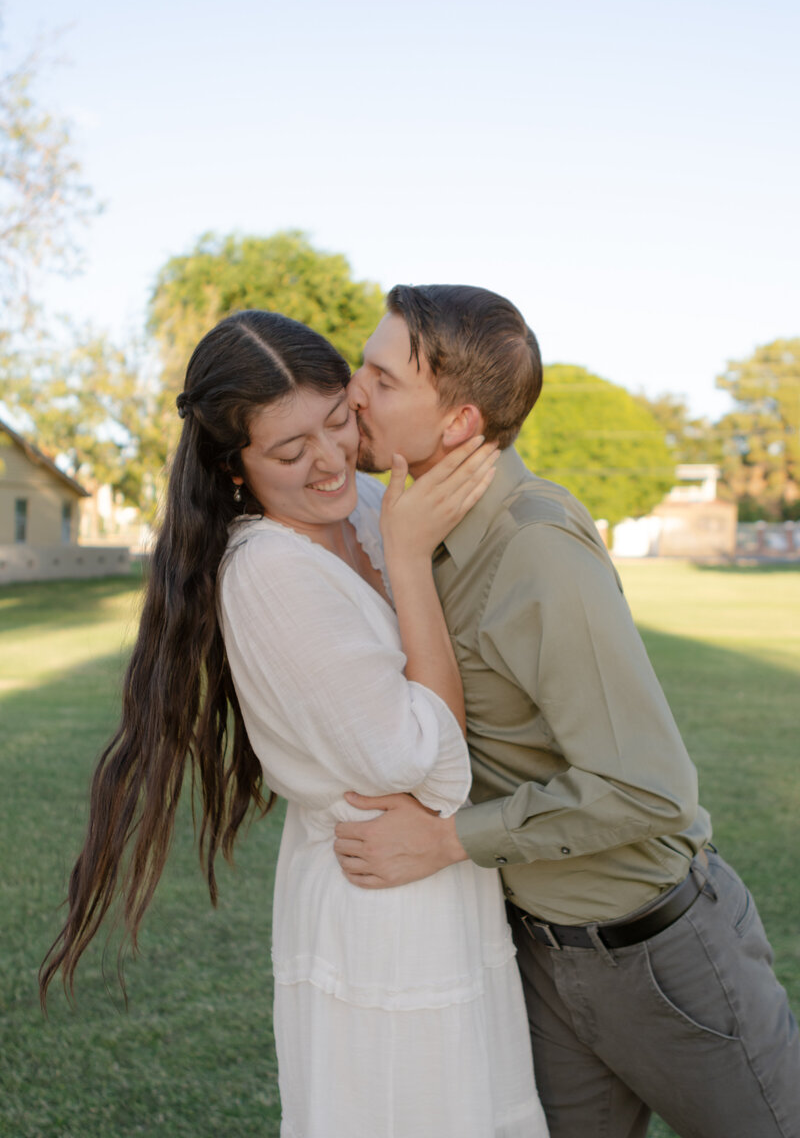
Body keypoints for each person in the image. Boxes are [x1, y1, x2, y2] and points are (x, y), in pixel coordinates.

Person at [39, 310, 548, 1138]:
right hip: (379, 900)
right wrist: (409, 559)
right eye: (288, 451)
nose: (331, 460)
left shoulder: (375, 505)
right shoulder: (269, 572)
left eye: (338, 419)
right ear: (234, 466)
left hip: (447, 878)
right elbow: (426, 764)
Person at [334, 283, 800, 1138]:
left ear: (459, 424)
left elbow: (649, 788)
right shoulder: (415, 532)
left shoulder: (534, 546)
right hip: (538, 956)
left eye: (383, 378)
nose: (352, 390)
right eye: (362, 365)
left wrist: (446, 841)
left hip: (661, 959)